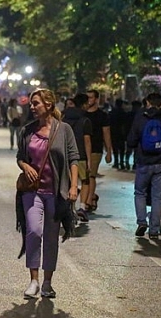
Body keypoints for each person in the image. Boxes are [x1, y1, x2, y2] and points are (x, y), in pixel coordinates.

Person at [16, 89, 79, 299]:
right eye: (31, 104)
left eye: (36, 104)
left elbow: (73, 158)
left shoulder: (64, 130)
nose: (32, 107)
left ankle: (47, 282)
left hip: (56, 193)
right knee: (33, 231)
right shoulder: (26, 131)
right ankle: (33, 280)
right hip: (32, 191)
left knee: (51, 237)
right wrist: (25, 166)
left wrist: (73, 187)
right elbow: (20, 157)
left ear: (49, 105)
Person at [127, 92, 161, 239]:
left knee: (140, 192)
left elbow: (131, 141)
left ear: (147, 103)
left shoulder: (140, 118)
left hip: (144, 162)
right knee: (157, 197)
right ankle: (154, 229)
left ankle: (142, 221)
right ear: (160, 103)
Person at [61, 94, 92, 222]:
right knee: (85, 181)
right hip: (81, 155)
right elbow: (87, 141)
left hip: (65, 155)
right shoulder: (85, 120)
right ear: (84, 104)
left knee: (68, 183)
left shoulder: (64, 118)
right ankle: (82, 207)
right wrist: (89, 160)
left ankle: (70, 209)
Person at [84, 89, 112, 212]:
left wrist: (109, 151)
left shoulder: (102, 115)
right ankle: (92, 196)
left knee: (91, 175)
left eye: (91, 97)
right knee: (83, 176)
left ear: (96, 99)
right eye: (87, 97)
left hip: (96, 149)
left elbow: (106, 133)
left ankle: (88, 201)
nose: (89, 100)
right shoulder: (82, 114)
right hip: (82, 149)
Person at [110, 99, 128, 169]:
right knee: (122, 148)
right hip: (121, 132)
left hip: (114, 132)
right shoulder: (123, 112)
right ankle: (121, 162)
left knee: (115, 148)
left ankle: (116, 162)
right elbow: (126, 123)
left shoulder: (112, 112)